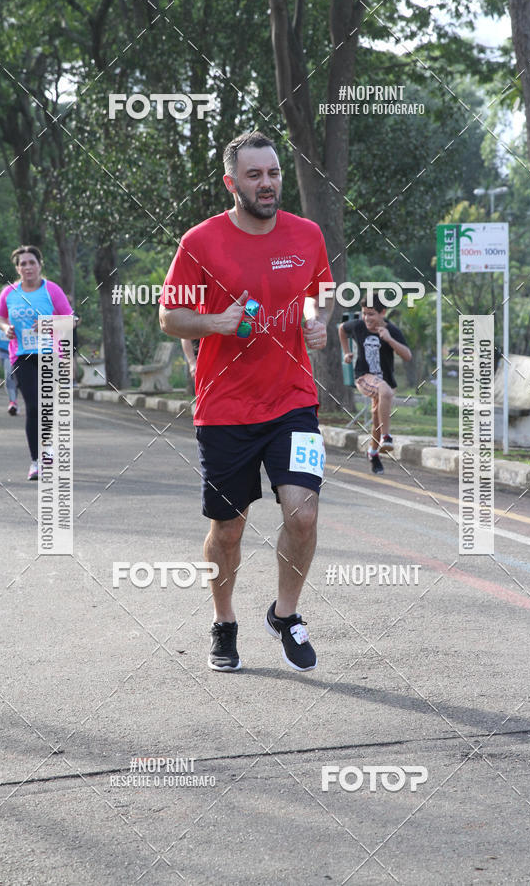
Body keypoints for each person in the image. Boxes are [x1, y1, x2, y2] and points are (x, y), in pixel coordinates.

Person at [159, 131, 333, 673]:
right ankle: (225, 620)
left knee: (302, 514)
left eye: (274, 173)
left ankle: (286, 614)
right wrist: (216, 322)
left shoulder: (306, 235)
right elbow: (169, 317)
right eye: (255, 175)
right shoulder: (200, 242)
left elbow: (322, 295)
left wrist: (319, 322)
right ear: (231, 182)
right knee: (228, 529)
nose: (267, 184)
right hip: (225, 408)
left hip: (293, 400)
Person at [0, 246, 73, 480]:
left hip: (49, 353)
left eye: (31, 262)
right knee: (33, 405)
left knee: (47, 406)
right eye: (22, 264)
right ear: (17, 268)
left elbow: (70, 320)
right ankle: (36, 461)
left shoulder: (52, 290)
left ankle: (48, 447)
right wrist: (5, 327)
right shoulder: (8, 292)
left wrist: (50, 323)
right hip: (21, 355)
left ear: (40, 264)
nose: (27, 267)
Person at [338, 296, 411, 474]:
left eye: (371, 314)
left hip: (385, 379)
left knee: (377, 420)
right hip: (364, 376)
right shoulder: (358, 326)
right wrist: (347, 353)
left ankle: (373, 453)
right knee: (385, 391)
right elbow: (342, 329)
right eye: (364, 314)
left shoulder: (392, 330)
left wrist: (389, 340)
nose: (366, 318)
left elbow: (408, 355)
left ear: (382, 313)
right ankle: (387, 437)